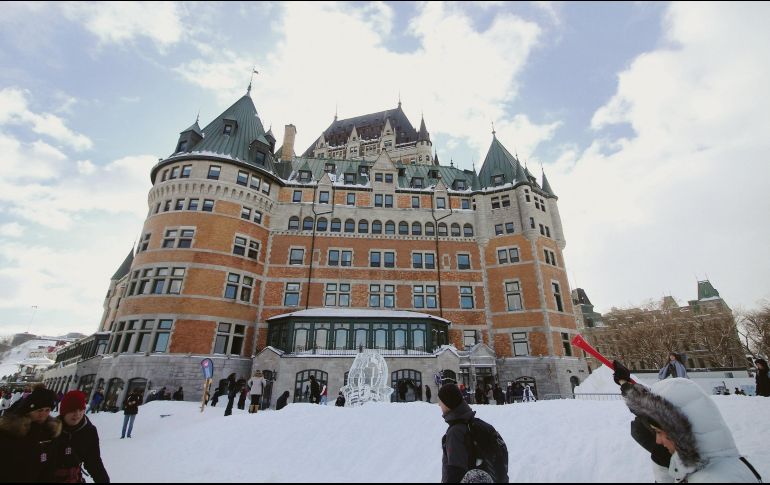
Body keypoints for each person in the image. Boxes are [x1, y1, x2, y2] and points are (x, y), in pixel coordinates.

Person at [613, 360, 761, 483]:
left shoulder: (711, 479)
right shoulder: (718, 465)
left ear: (679, 430)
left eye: (658, 432)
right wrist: (624, 382)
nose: (658, 441)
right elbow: (659, 410)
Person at [438, 383, 508, 483]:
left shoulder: (456, 432)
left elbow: (455, 473)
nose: (439, 404)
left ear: (448, 403)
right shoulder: (479, 425)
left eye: (441, 401)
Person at [0, 388, 61, 482]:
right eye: (39, 410)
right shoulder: (10, 430)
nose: (43, 415)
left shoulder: (49, 433)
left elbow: (48, 469)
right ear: (29, 410)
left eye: (47, 410)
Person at [53, 390, 110, 483]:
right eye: (73, 410)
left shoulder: (89, 431)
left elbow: (94, 462)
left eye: (81, 410)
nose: (77, 414)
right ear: (64, 411)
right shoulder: (52, 429)